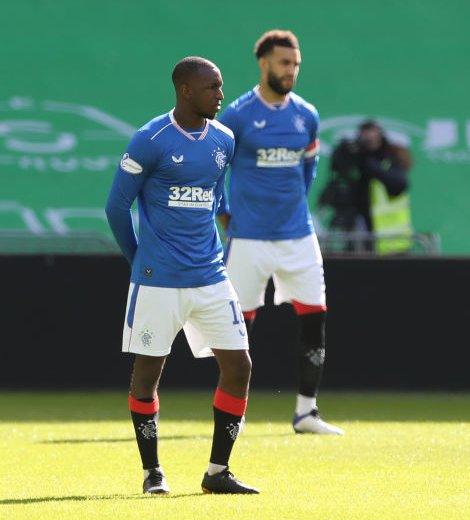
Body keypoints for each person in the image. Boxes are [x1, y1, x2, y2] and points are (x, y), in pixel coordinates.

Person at [105, 56, 259, 495]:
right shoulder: (149, 139)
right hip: (158, 280)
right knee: (148, 375)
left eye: (222, 86)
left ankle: (217, 472)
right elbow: (116, 207)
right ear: (186, 90)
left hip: (211, 276)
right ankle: (153, 473)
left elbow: (215, 196)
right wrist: (138, 260)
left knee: (239, 366)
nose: (221, 95)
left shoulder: (224, 139)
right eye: (212, 87)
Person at [217, 30, 343, 435]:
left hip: (297, 236)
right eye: (284, 63)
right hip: (248, 238)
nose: (292, 70)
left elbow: (309, 169)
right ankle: (235, 411)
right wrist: (224, 212)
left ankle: (306, 412)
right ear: (264, 63)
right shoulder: (236, 115)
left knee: (314, 317)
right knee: (239, 325)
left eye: (296, 64)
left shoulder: (306, 114)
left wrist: (291, 208)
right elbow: (214, 168)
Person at [318, 119, 412, 254]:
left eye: (373, 137)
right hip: (358, 224)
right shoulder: (354, 159)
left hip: (390, 240)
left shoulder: (389, 160)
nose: (368, 141)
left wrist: (368, 162)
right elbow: (339, 172)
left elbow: (399, 184)